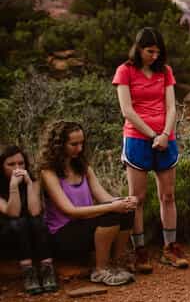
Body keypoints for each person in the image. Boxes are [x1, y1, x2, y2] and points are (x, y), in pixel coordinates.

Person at [113, 27, 187, 273]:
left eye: (158, 52)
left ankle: (170, 247)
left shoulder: (165, 71)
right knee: (138, 198)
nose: (154, 56)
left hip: (166, 138)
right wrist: (153, 135)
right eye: (149, 51)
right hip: (137, 138)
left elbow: (171, 107)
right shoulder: (125, 71)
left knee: (168, 195)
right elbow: (127, 110)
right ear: (138, 48)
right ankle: (140, 250)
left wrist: (165, 134)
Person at [39, 122, 136, 287]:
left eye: (82, 143)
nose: (79, 148)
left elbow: (104, 197)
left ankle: (116, 262)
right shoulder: (48, 172)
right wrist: (112, 207)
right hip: (63, 234)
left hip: (86, 226)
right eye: (74, 144)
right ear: (59, 145)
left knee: (125, 211)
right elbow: (69, 211)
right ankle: (100, 270)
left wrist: (123, 201)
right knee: (111, 214)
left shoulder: (83, 167)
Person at [0, 145, 58, 294]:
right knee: (18, 222)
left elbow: (34, 211)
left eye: (21, 163)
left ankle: (47, 270)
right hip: (8, 233)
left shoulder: (33, 181)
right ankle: (28, 273)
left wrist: (29, 185)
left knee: (36, 221)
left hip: (33, 233)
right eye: (11, 164)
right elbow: (12, 213)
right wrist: (13, 187)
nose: (17, 168)